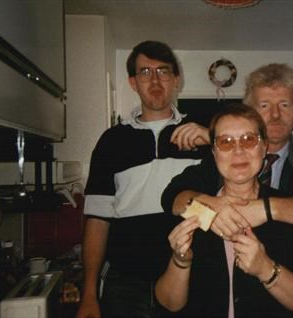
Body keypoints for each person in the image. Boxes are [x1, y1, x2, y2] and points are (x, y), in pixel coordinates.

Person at [162, 63, 293, 316]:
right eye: (226, 143)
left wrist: (266, 210)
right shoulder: (207, 182)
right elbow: (172, 196)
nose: (274, 115)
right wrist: (207, 206)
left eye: (284, 105)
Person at [76, 41, 209, 318]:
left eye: (163, 71)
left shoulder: (201, 133)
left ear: (176, 80)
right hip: (126, 285)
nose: (156, 80)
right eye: (145, 72)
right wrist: (89, 294)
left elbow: (241, 177)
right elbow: (98, 221)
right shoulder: (112, 141)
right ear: (133, 82)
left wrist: (212, 138)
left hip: (191, 277)